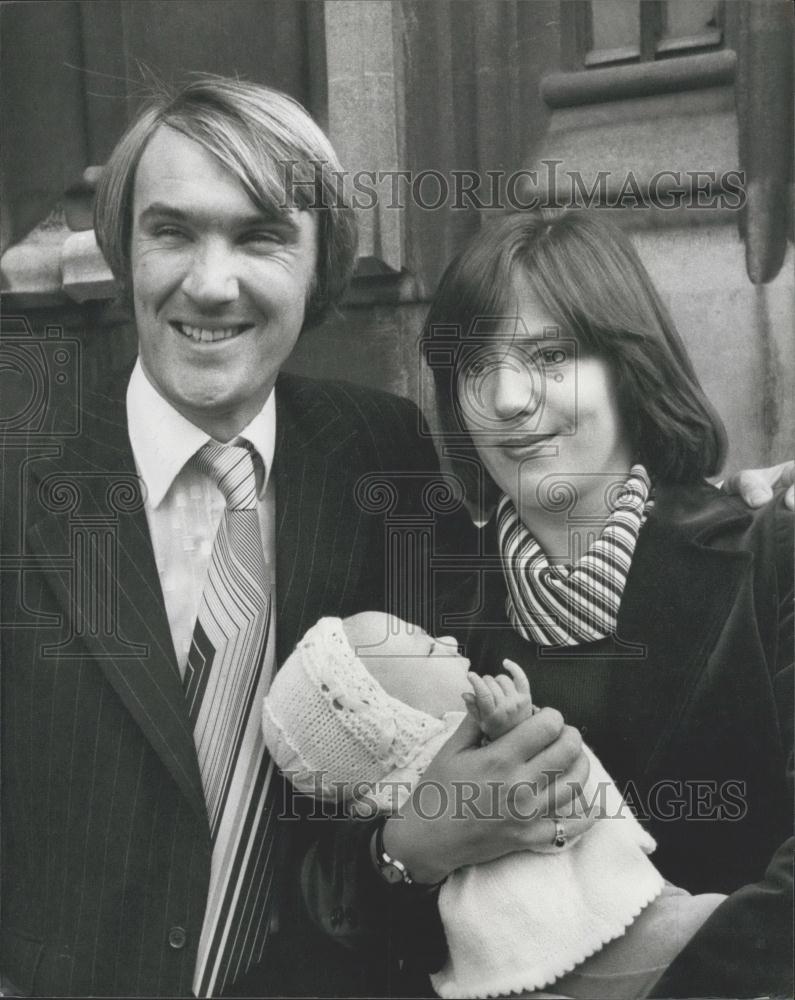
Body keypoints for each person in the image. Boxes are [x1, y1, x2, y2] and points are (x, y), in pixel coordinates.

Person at [0, 74, 789, 998]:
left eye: (260, 235)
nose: (211, 284)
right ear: (122, 248)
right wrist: (407, 849)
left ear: (319, 266)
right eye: (172, 229)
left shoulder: (382, 472)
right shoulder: (450, 584)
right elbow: (352, 861)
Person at [386, 208, 792, 998]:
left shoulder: (765, 562)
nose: (506, 399)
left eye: (548, 355)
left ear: (626, 365)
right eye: (475, 369)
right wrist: (411, 850)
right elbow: (351, 909)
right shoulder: (430, 615)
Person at [262, 612, 727, 1000]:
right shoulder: (430, 776)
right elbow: (547, 791)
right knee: (711, 929)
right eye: (426, 648)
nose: (446, 640)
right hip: (563, 938)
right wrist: (511, 725)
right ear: (391, 717)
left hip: (531, 954)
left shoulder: (396, 793)